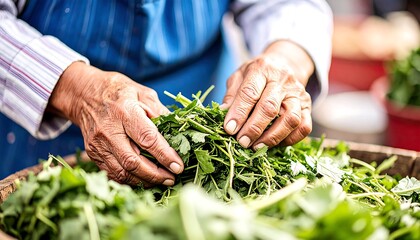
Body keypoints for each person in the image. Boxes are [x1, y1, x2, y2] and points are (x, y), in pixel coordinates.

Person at [0, 0, 333, 185]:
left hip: (210, 142)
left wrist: (285, 57)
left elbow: (287, 5)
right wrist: (77, 90)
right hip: (40, 138)